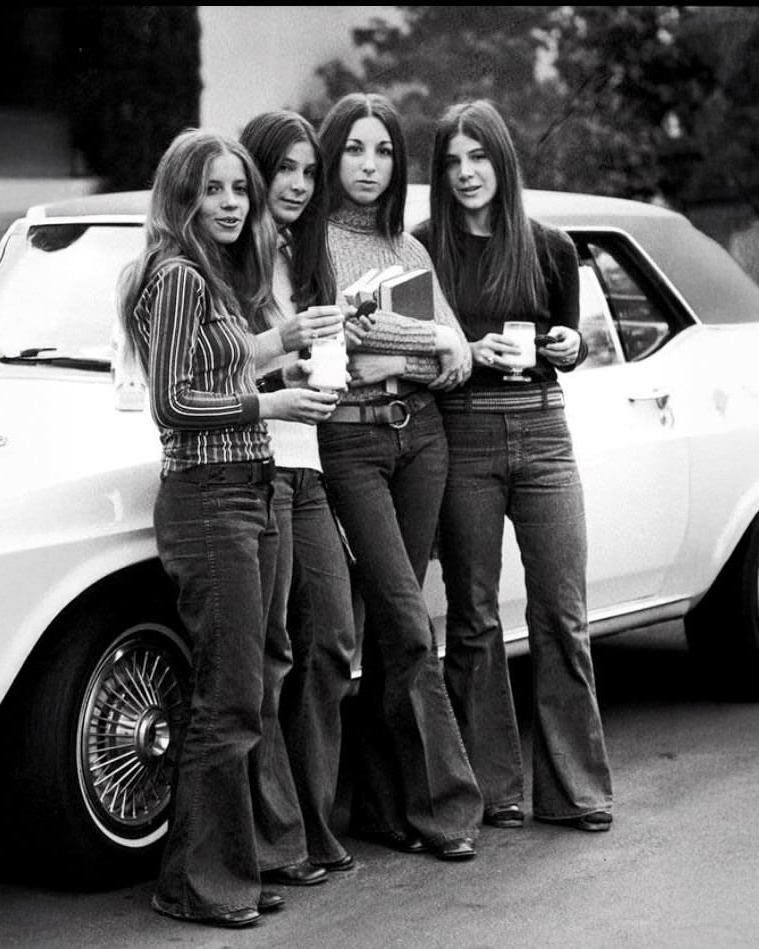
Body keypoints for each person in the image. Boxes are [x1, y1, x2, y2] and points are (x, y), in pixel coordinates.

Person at [117, 128, 339, 928]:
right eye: (213, 189)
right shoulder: (178, 274)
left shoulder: (208, 274)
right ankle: (197, 883)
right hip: (210, 497)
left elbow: (218, 366)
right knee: (230, 695)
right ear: (182, 197)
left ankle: (224, 870)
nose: (232, 203)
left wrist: (283, 354)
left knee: (239, 693)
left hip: (248, 486)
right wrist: (272, 401)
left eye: (239, 188)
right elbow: (174, 402)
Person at [416, 99, 613, 834]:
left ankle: (576, 790)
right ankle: (494, 789)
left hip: (544, 429)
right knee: (472, 615)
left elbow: (572, 340)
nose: (467, 174)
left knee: (562, 610)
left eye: (479, 157)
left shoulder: (551, 246)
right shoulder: (423, 249)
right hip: (463, 431)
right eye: (452, 162)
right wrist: (467, 354)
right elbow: (415, 351)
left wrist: (571, 345)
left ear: (503, 160)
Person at [316, 91, 483, 862]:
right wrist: (426, 342)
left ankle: (384, 808)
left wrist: (410, 349)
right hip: (351, 445)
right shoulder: (313, 243)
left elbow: (459, 356)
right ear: (333, 155)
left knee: (396, 630)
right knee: (410, 621)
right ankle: (447, 808)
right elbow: (342, 340)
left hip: (423, 440)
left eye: (383, 150)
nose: (369, 165)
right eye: (355, 148)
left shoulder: (410, 249)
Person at [239, 109, 358, 875]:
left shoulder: (306, 258)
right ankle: (275, 835)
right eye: (284, 167)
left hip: (307, 464)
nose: (299, 184)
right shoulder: (229, 257)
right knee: (269, 654)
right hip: (257, 462)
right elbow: (212, 366)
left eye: (310, 172)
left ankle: (311, 817)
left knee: (335, 639)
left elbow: (327, 359)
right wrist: (283, 363)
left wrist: (329, 364)